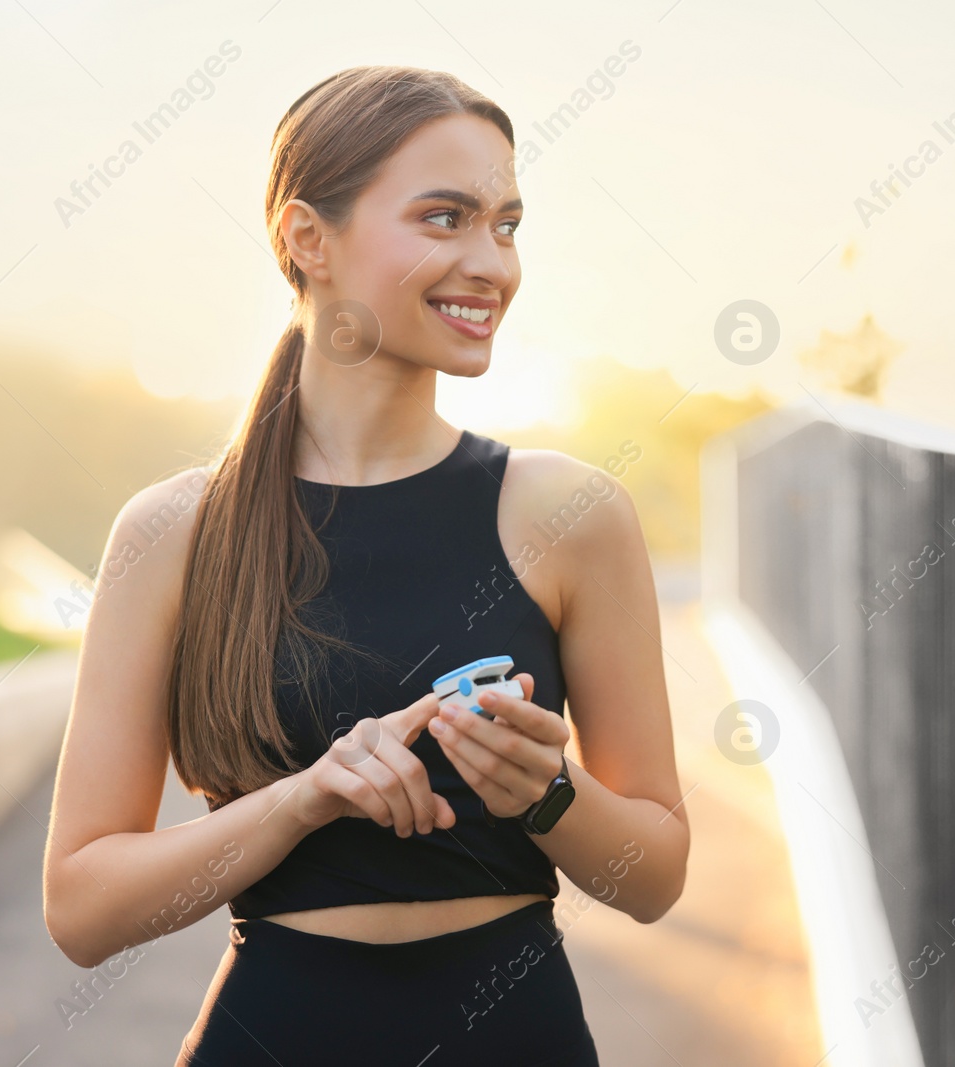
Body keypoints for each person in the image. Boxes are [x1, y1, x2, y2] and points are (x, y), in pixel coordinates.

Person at [41, 64, 688, 1066]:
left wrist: (546, 793)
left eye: (507, 225)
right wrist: (304, 796)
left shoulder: (571, 513)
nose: (492, 263)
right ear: (309, 240)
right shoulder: (171, 531)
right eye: (444, 218)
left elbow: (654, 875)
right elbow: (82, 906)